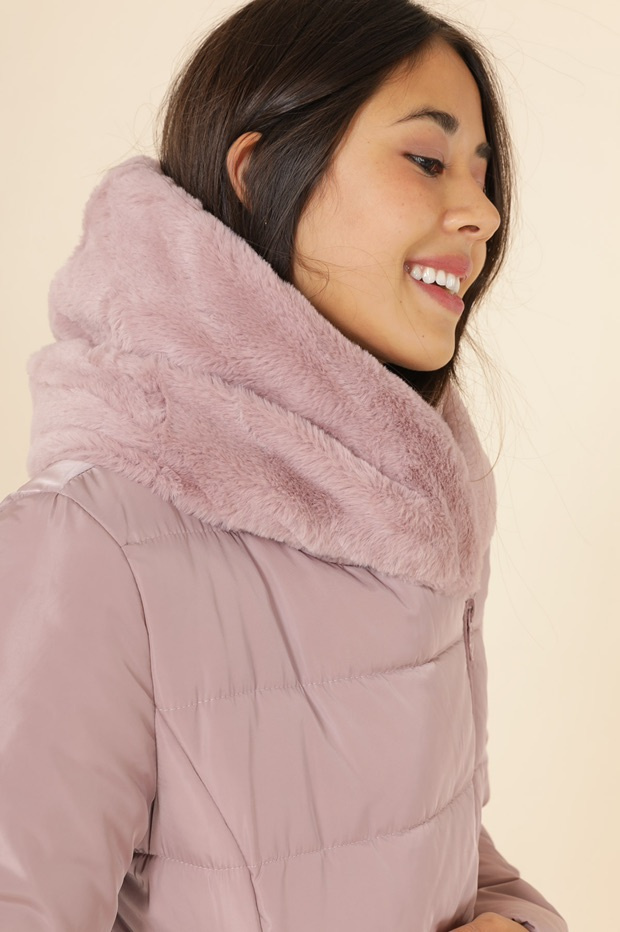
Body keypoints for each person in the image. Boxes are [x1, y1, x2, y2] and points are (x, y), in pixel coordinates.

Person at [0, 0, 569, 929]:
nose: (483, 212)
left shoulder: (418, 508)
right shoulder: (91, 542)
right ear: (260, 174)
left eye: (481, 173)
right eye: (426, 160)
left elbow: (435, 851)